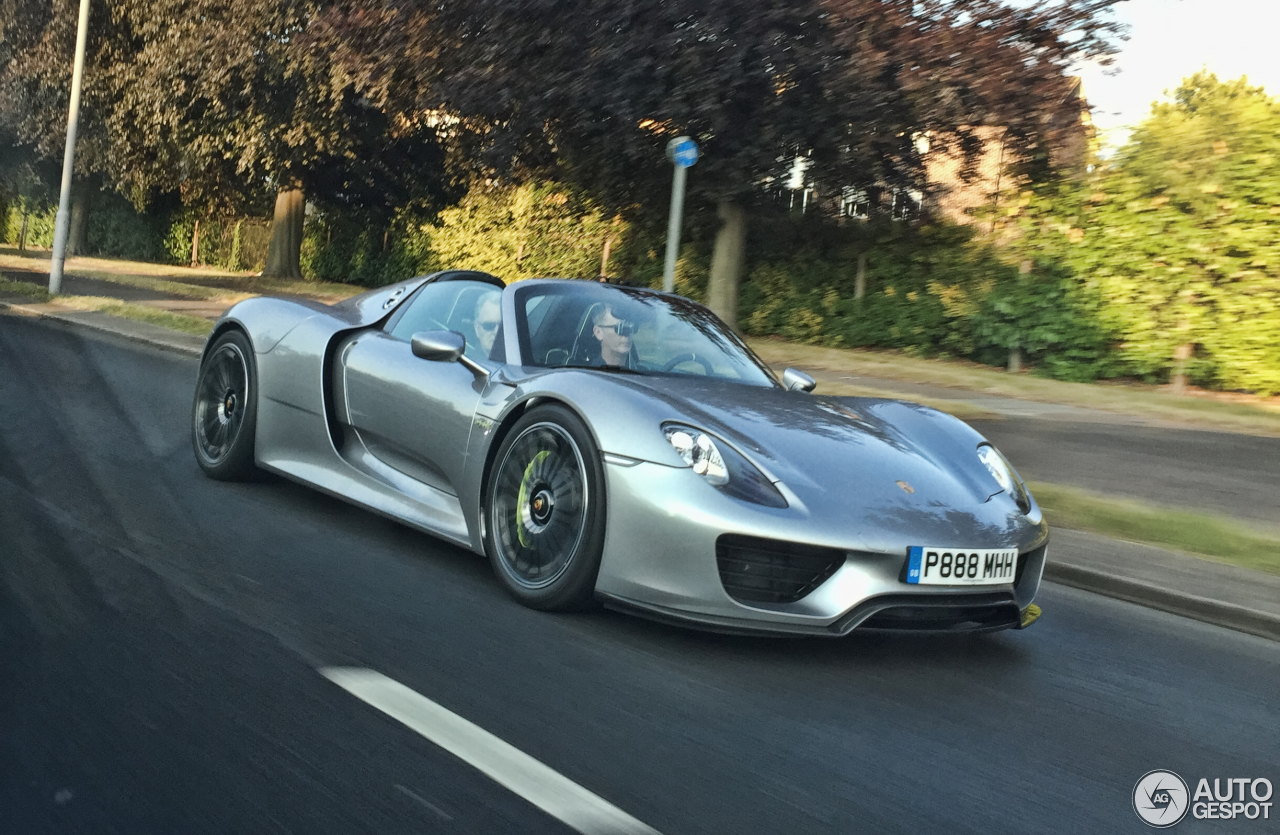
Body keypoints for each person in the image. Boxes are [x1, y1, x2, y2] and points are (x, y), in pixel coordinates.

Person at [591, 303, 637, 367]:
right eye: (619, 328)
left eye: (631, 328)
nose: (627, 334)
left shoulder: (645, 374)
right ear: (598, 332)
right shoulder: (586, 374)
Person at [472, 292, 502, 358]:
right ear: (477, 329)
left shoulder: (517, 357)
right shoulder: (467, 364)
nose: (496, 332)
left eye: (501, 326)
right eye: (489, 325)